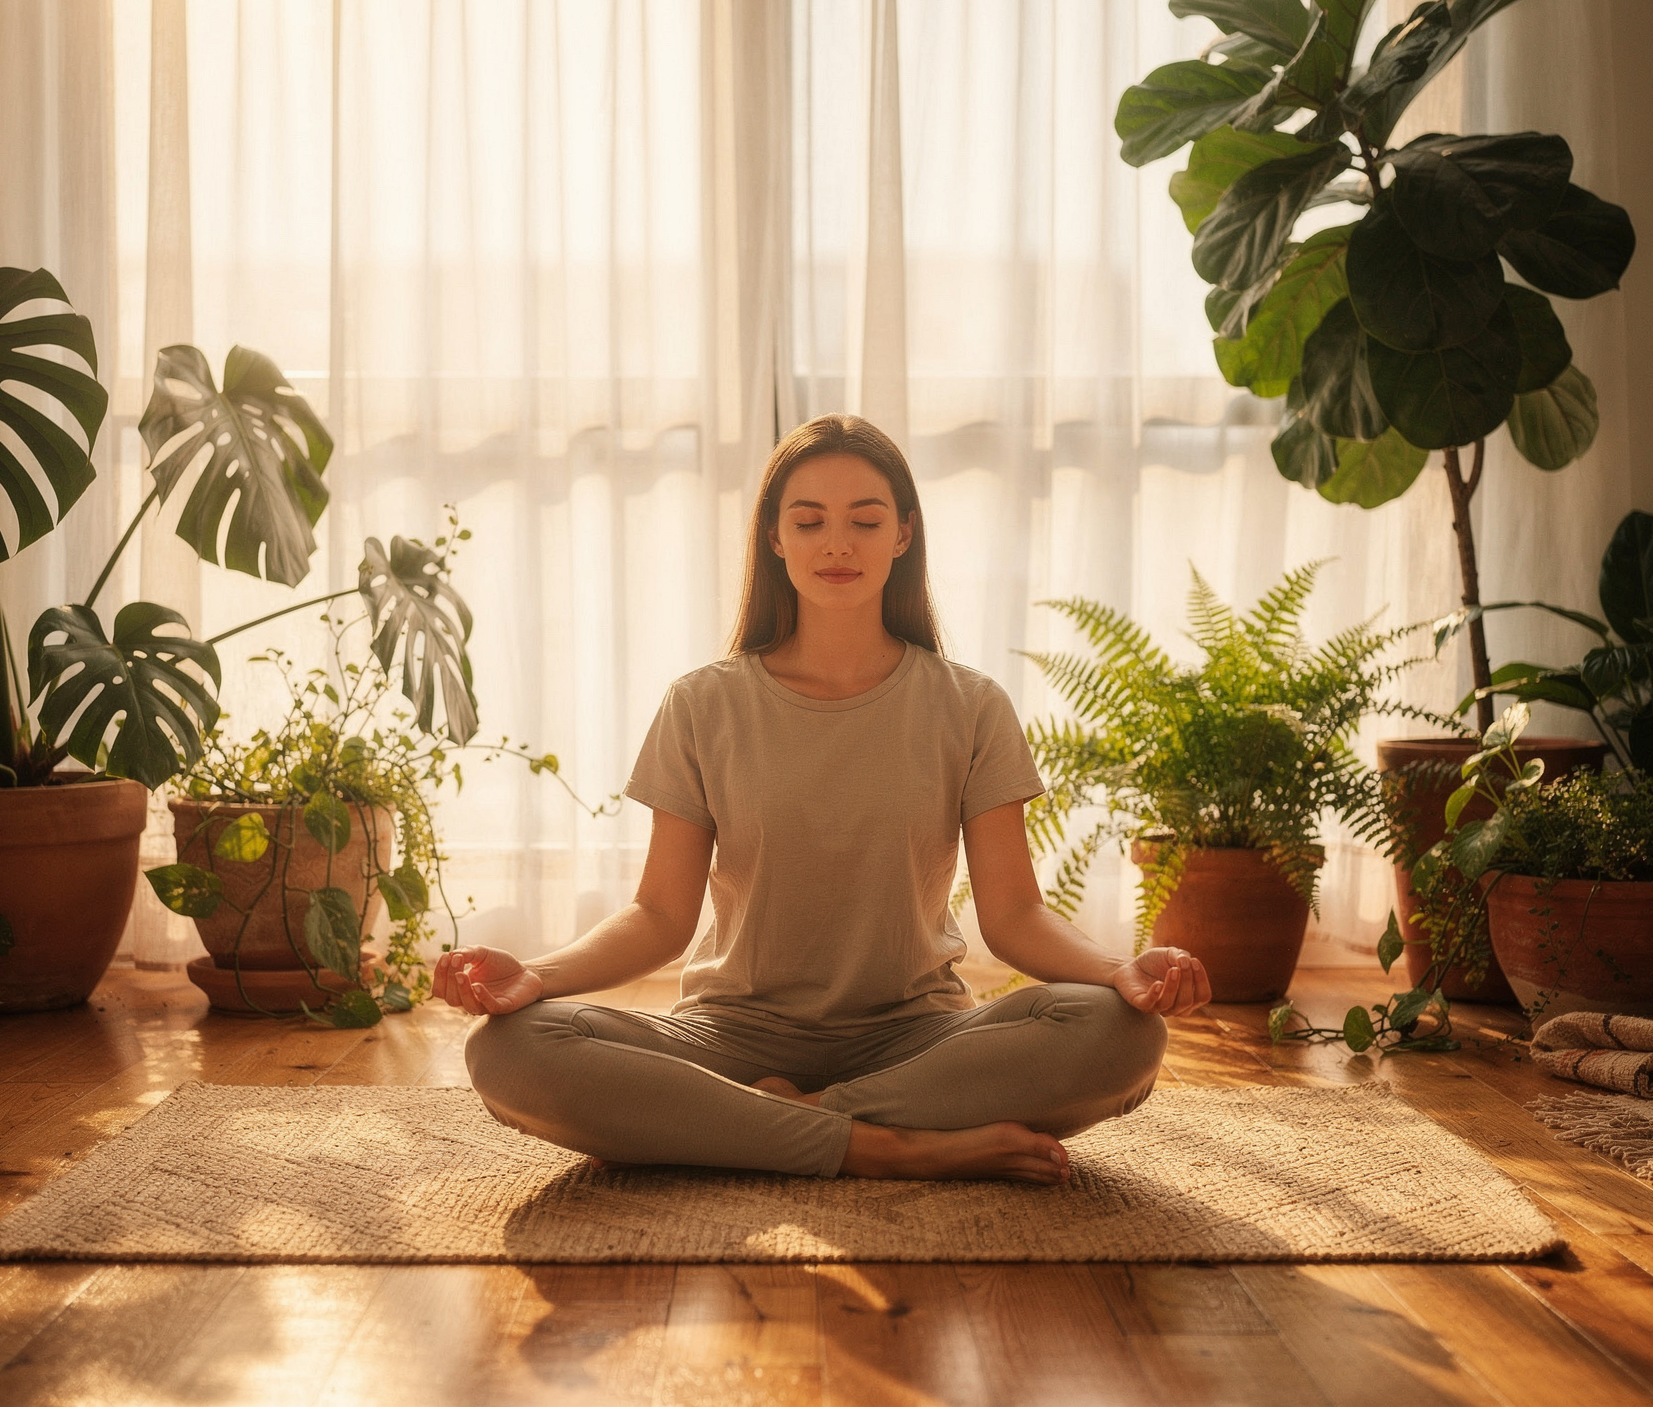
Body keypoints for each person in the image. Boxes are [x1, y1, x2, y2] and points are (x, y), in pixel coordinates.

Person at [433, 414, 1212, 1184]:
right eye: (809, 521)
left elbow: (1012, 915)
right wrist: (537, 975)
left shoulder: (970, 706)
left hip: (917, 1038)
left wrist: (1121, 972)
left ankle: (753, 1121)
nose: (837, 543)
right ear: (775, 538)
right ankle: (889, 1146)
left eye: (864, 521)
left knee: (1119, 1032)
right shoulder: (702, 704)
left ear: (902, 535)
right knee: (510, 1049)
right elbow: (661, 916)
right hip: (729, 1034)